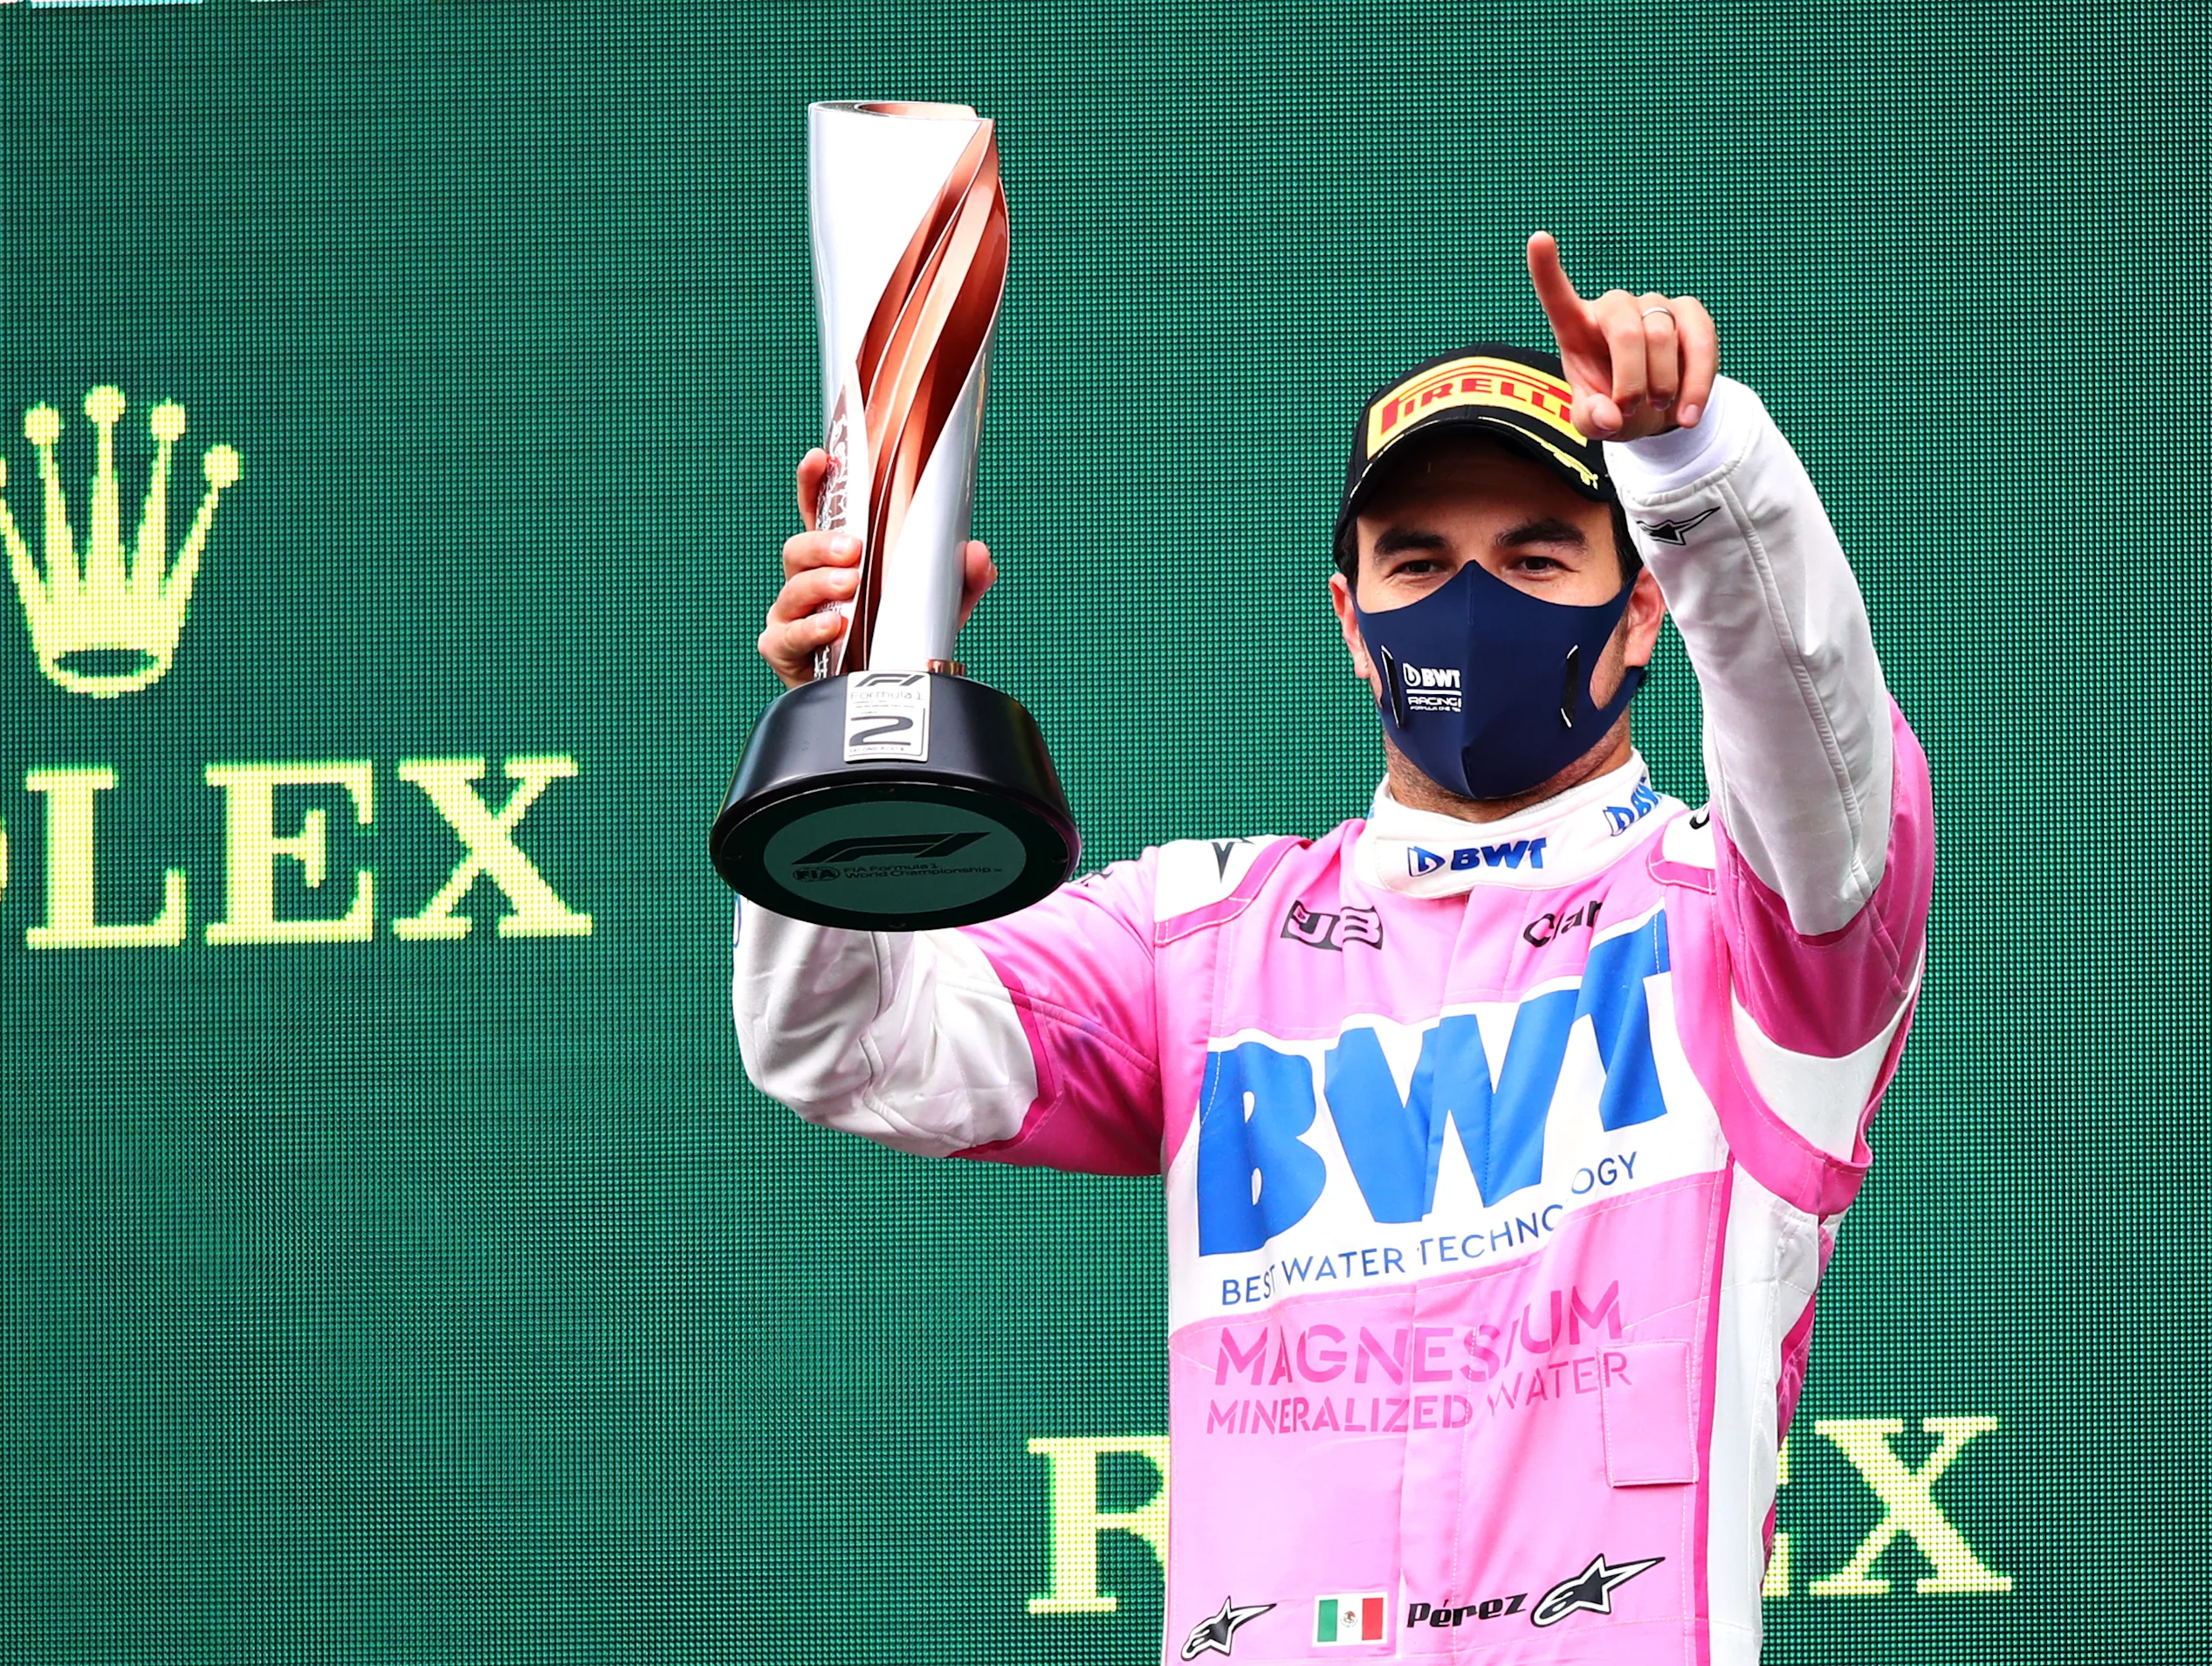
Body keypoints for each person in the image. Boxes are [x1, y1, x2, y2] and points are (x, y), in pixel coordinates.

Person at [735, 231, 1934, 1666]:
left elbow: (1819, 748)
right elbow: (848, 1043)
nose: (1473, 602)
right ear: (1353, 625)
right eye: (1419, 561)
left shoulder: (1749, 932)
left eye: (1536, 556)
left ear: (1640, 610)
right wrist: (851, 736)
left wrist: (1700, 475)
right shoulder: (1202, 941)